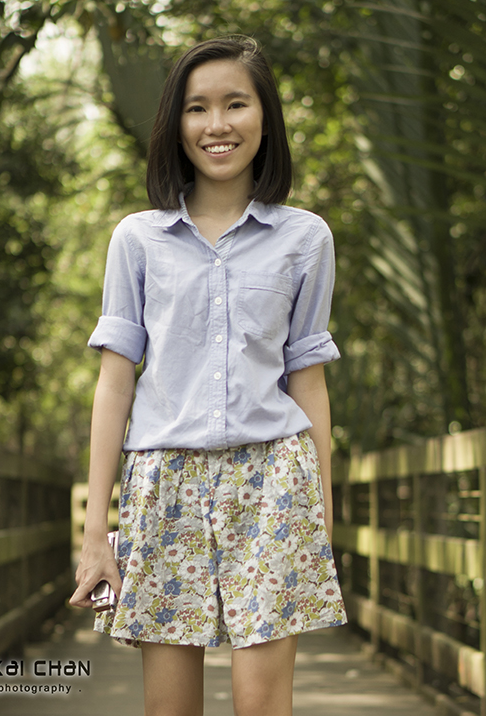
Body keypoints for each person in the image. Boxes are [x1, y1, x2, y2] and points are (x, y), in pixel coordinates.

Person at [70, 35, 347, 716]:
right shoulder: (137, 239)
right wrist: (93, 534)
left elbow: (308, 382)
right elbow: (115, 383)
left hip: (275, 485)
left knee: (260, 706)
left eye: (235, 104)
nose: (217, 124)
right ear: (177, 123)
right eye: (198, 108)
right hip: (164, 482)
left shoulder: (306, 238)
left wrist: (323, 524)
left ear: (264, 117)